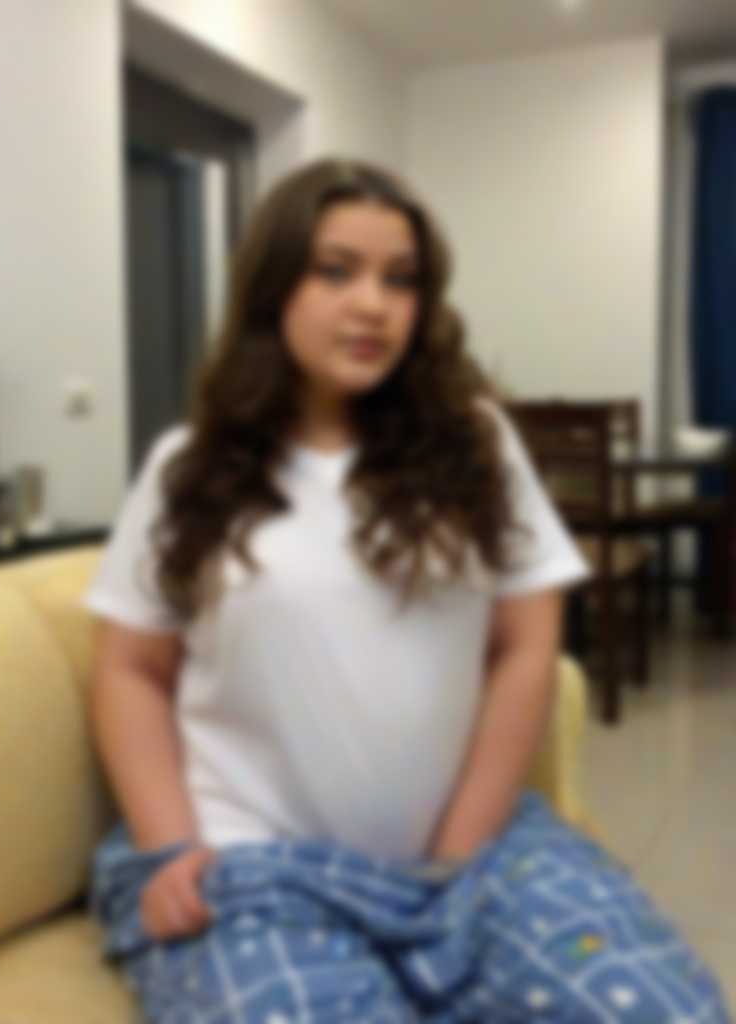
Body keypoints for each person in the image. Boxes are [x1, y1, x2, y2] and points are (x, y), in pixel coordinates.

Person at [85, 158, 730, 1023]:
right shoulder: (188, 466)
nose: (374, 306)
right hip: (254, 867)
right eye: (335, 271)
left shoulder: (477, 444)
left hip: (476, 852)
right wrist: (169, 847)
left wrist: (459, 853)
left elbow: (525, 647)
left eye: (401, 280)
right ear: (272, 286)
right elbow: (130, 668)